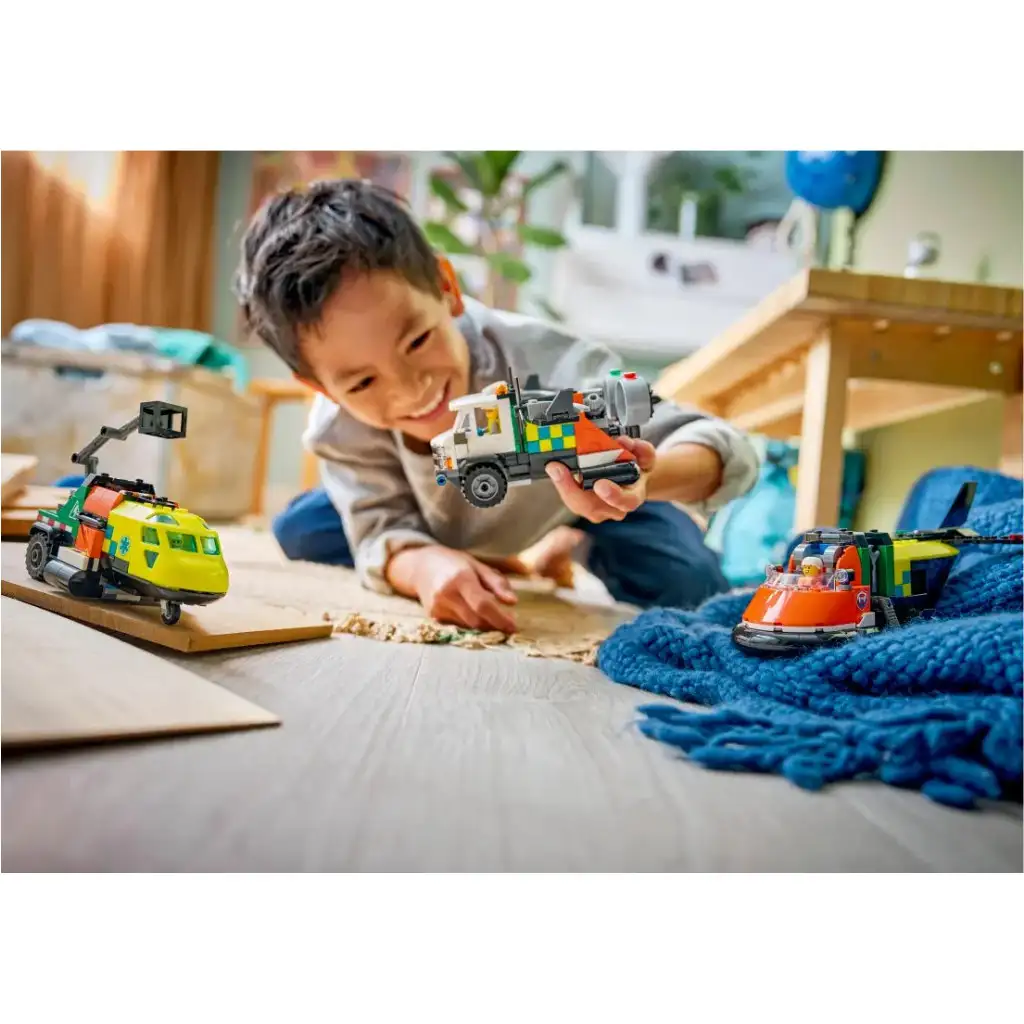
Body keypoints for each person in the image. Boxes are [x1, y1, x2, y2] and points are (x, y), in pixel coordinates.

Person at [234, 180, 760, 633]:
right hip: (424, 514)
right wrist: (423, 566)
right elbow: (377, 529)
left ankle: (566, 541)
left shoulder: (551, 366)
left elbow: (728, 451)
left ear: (446, 289)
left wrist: (644, 477)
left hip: (579, 504)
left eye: (417, 340)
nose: (411, 389)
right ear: (322, 388)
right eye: (363, 381)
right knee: (300, 529)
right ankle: (486, 554)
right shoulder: (338, 427)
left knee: (694, 584)